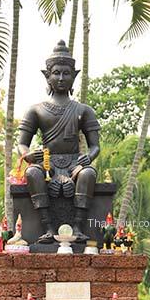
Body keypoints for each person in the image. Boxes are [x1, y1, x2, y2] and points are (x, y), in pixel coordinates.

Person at [16, 40, 100, 243]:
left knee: (88, 173)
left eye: (66, 73)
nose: (61, 78)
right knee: (32, 173)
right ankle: (47, 226)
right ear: (47, 76)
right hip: (47, 163)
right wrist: (27, 155)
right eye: (56, 73)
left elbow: (95, 146)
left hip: (74, 164)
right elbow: (22, 144)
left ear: (74, 76)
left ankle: (78, 226)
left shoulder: (83, 110)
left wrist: (85, 160)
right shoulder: (36, 110)